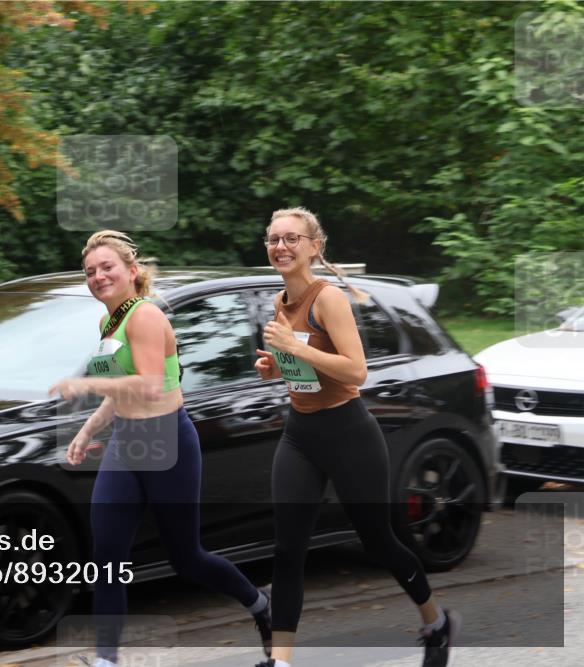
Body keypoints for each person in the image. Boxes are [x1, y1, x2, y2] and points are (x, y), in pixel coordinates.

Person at [50, 230, 272, 667]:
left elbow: (150, 385)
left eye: (107, 267)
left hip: (167, 439)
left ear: (132, 272)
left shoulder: (146, 316)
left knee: (186, 558)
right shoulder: (108, 321)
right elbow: (122, 393)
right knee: (107, 556)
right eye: (90, 271)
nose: (98, 276)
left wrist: (85, 384)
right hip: (126, 442)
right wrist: (88, 428)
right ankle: (107, 660)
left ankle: (261, 606)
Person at [253, 207, 460, 667]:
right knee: (288, 548)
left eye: (291, 238)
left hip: (348, 431)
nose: (281, 247)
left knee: (379, 541)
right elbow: (304, 368)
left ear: (314, 246)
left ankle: (436, 622)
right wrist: (277, 365)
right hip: (300, 433)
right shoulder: (279, 303)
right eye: (273, 239)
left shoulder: (329, 299)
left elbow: (356, 370)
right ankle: (281, 661)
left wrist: (290, 347)